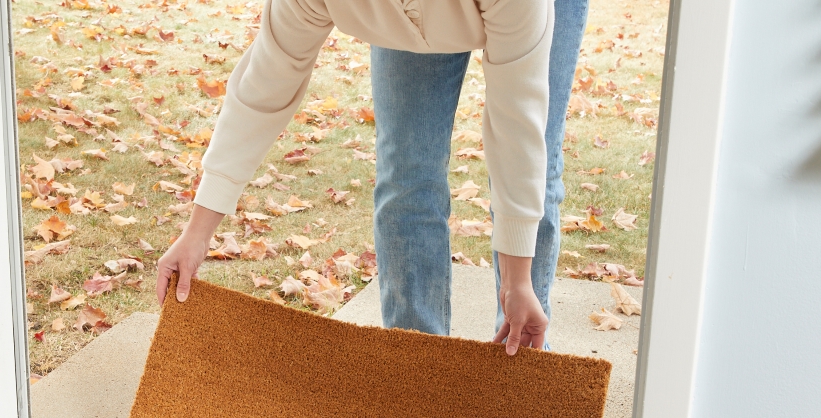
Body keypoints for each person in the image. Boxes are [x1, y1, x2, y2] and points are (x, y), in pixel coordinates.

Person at [157, 0, 580, 357]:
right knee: (407, 175)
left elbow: (516, 120)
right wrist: (197, 233)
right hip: (407, 21)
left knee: (536, 169)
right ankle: (415, 365)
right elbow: (264, 86)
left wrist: (517, 279)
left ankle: (518, 358)